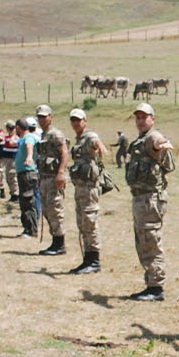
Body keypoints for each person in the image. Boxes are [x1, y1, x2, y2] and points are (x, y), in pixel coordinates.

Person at [124, 102, 177, 301]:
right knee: (143, 241)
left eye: (144, 117)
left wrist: (161, 145)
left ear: (152, 119)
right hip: (141, 197)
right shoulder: (139, 140)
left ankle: (156, 287)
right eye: (137, 117)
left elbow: (157, 141)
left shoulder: (152, 136)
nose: (140, 121)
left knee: (151, 241)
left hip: (150, 198)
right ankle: (151, 283)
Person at [67, 108, 110, 273]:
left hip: (89, 188)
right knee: (82, 222)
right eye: (73, 120)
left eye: (78, 120)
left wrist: (100, 147)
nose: (76, 123)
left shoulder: (90, 136)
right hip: (80, 187)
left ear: (85, 121)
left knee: (90, 221)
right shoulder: (78, 139)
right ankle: (87, 258)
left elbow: (96, 143)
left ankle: (94, 260)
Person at [35, 105, 71, 255]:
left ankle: (59, 243)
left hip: (53, 178)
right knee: (47, 210)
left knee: (55, 209)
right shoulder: (43, 135)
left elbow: (64, 153)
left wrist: (61, 173)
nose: (42, 120)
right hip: (44, 177)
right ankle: (54, 240)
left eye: (45, 116)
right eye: (40, 117)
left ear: (51, 117)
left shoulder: (55, 134)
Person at [13, 117, 40, 237]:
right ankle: (28, 228)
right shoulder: (25, 137)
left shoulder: (28, 137)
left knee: (27, 202)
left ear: (18, 128)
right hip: (24, 173)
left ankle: (31, 230)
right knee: (25, 202)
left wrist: (29, 157)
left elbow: (30, 146)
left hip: (27, 173)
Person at [0, 121, 19, 201]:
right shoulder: (7, 136)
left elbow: (13, 144)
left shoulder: (15, 137)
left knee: (12, 176)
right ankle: (12, 193)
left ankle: (15, 194)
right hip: (7, 159)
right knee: (8, 176)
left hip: (12, 159)